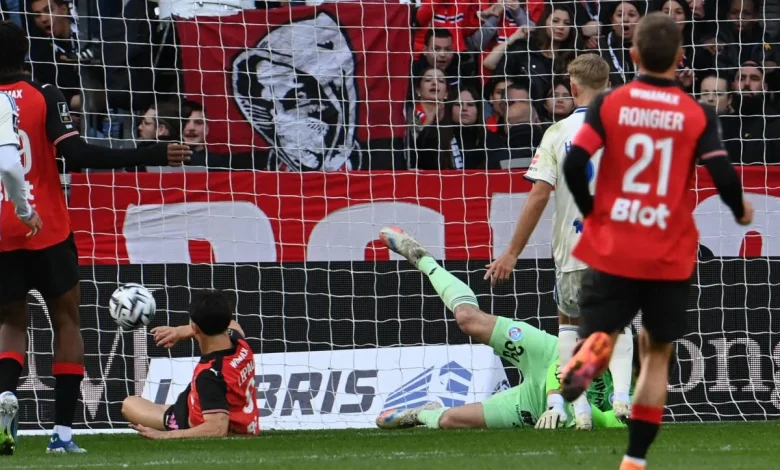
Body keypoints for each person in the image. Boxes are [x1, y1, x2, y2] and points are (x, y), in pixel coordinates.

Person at [559, 13, 752, 470]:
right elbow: (722, 173)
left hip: (615, 244)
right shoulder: (696, 113)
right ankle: (634, 460)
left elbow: (572, 166)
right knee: (656, 354)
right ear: (681, 58)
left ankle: (593, 352)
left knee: (600, 329)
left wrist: (595, 217)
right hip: (669, 252)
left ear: (633, 54)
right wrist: (740, 209)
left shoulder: (610, 105)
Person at [0, 21, 191, 454]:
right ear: (27, 51)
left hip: (3, 229)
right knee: (67, 320)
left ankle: (4, 397)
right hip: (47, 226)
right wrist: (150, 152)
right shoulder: (44, 95)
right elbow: (80, 154)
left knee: (10, 322)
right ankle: (63, 435)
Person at [485, 54, 634, 430]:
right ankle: (620, 398)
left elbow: (538, 196)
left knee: (569, 324)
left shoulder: (557, 133)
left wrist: (512, 252)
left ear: (572, 86)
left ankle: (580, 410)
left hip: (573, 250)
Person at [375, 226, 629, 431]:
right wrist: (556, 402)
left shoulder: (632, 388)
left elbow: (614, 422)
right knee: (468, 319)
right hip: (546, 354)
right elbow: (562, 363)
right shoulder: (616, 346)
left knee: (448, 421)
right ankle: (422, 259)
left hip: (533, 403)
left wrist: (581, 412)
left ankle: (424, 413)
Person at [122, 290, 260, 439]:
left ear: (195, 327)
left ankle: (172, 421)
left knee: (129, 405)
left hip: (193, 419)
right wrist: (180, 332)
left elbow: (217, 428)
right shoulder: (241, 345)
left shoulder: (209, 375)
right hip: (239, 416)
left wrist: (166, 435)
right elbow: (234, 325)